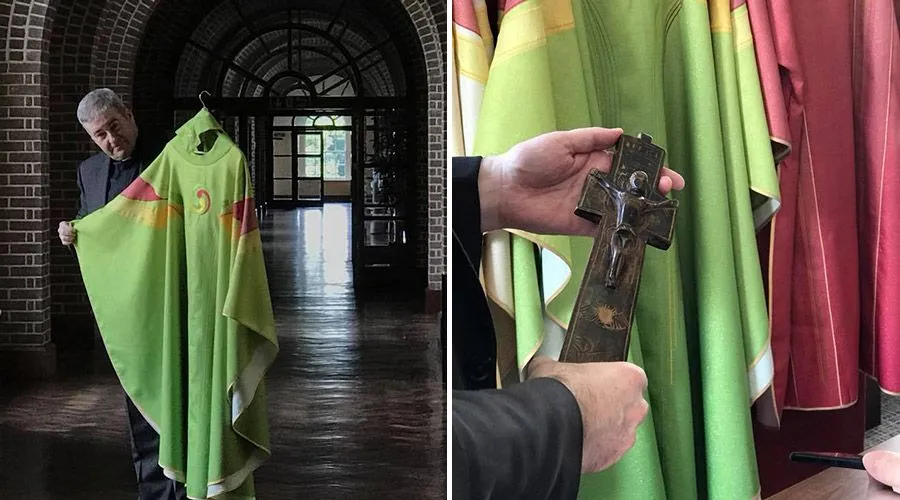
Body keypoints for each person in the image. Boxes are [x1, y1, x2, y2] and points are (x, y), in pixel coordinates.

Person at [451, 127, 686, 499]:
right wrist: (566, 419)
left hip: (623, 234)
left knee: (618, 262)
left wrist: (492, 187)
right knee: (614, 265)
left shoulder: (636, 199)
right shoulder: (618, 193)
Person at [57, 88, 184, 500]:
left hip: (174, 301)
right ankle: (154, 492)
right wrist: (72, 232)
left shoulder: (171, 154)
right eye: (100, 135)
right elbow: (90, 222)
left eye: (115, 126)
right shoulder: (89, 172)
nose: (112, 139)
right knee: (139, 404)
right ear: (90, 137)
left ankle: (191, 486)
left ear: (129, 114)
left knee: (182, 402)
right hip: (127, 315)